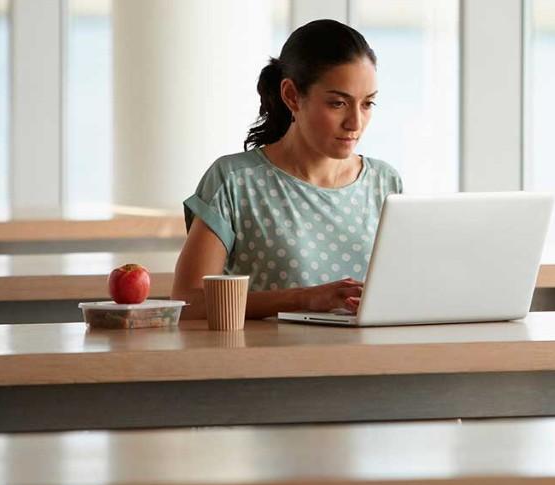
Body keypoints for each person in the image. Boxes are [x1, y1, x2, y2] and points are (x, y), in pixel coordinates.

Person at [171, 19, 401, 320]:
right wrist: (304, 299)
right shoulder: (235, 181)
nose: (355, 124)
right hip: (270, 363)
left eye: (367, 104)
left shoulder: (385, 183)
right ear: (292, 95)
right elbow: (188, 301)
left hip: (371, 362)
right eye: (337, 104)